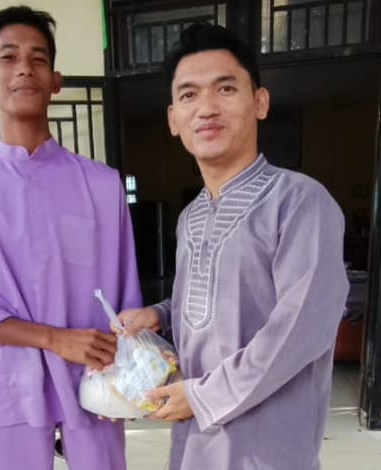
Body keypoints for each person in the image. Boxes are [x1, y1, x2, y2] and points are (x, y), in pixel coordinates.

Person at [117, 23, 349, 470]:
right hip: (194, 444)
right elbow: (218, 304)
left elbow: (302, 329)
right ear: (173, 119)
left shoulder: (300, 201)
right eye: (189, 95)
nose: (206, 108)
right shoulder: (190, 217)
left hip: (268, 449)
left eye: (225, 88)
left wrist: (202, 396)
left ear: (259, 102)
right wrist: (159, 316)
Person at [0, 6, 141, 470]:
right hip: (14, 380)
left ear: (56, 81)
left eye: (38, 59)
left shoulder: (101, 185)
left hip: (95, 373)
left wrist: (127, 367)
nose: (24, 68)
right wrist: (53, 339)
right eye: (9, 57)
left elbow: (125, 292)